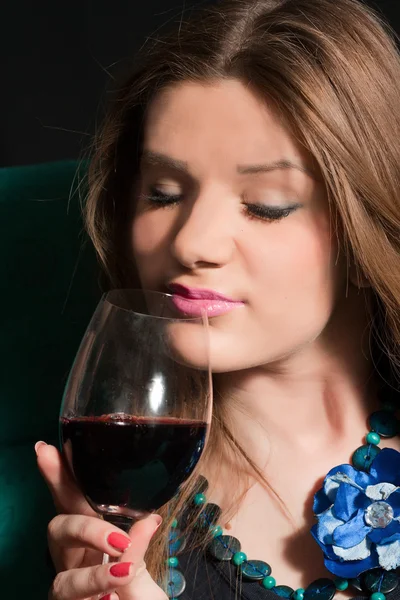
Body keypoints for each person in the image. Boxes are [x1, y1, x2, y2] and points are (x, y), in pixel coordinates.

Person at [35, 0, 400, 598]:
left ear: (371, 227)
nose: (191, 242)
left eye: (266, 204)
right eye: (163, 193)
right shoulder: (111, 501)